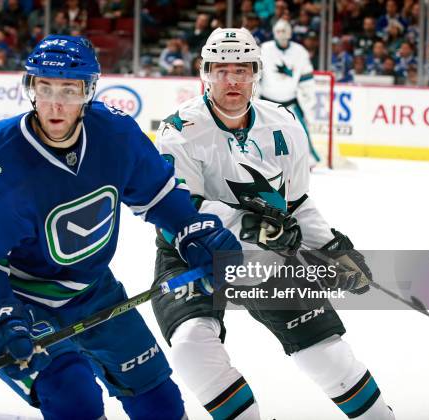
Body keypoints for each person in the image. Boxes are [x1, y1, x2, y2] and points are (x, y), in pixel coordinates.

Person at [0, 34, 241, 419]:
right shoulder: (0, 158)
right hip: (23, 301)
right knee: (74, 397)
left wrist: (192, 231)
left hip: (95, 292)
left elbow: (157, 195)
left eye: (69, 90)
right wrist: (0, 313)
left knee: (160, 404)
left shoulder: (114, 134)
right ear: (30, 88)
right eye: (45, 88)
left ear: (88, 91)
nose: (55, 103)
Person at [152, 27, 396, 420]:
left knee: (327, 353)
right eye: (221, 69)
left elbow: (297, 201)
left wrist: (332, 248)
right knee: (190, 345)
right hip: (193, 253)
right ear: (204, 73)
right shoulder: (179, 130)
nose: (232, 79)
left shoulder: (283, 123)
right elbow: (181, 209)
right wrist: (250, 225)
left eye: (243, 69)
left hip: (267, 255)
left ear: (256, 73)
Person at [259, 20, 321, 167]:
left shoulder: (300, 52)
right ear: (274, 32)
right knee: (258, 132)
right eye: (279, 31)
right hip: (266, 102)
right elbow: (256, 75)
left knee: (300, 132)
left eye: (284, 31)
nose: (282, 34)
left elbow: (306, 80)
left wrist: (309, 102)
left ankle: (308, 160)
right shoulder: (264, 49)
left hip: (290, 102)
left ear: (290, 33)